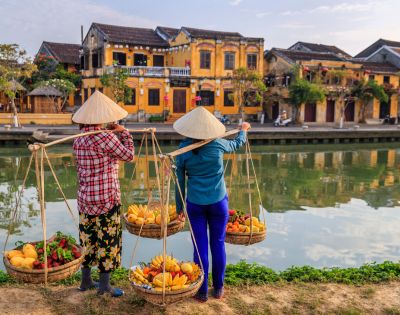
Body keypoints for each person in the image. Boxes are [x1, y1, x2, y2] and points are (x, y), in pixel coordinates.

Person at [174, 107, 250, 302]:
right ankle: (218, 288)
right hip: (218, 203)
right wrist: (243, 130)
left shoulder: (183, 151)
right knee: (218, 245)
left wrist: (179, 208)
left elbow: (179, 183)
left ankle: (201, 292)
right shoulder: (218, 145)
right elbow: (238, 143)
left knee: (199, 248)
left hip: (195, 205)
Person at [72, 91, 134, 297]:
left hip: (85, 198)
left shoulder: (78, 140)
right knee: (107, 240)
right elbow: (129, 155)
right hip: (106, 198)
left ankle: (86, 281)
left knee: (87, 240)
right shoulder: (105, 137)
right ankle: (104, 286)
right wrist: (123, 132)